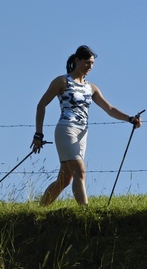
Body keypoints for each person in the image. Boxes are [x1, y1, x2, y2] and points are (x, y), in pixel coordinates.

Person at [31, 45, 142, 206]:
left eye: (92, 64)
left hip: (82, 134)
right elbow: (41, 105)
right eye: (86, 63)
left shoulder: (91, 87)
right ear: (77, 60)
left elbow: (109, 109)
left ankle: (39, 209)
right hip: (66, 129)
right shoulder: (62, 81)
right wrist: (38, 134)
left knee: (64, 180)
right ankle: (85, 212)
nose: (90, 67)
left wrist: (130, 118)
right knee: (80, 171)